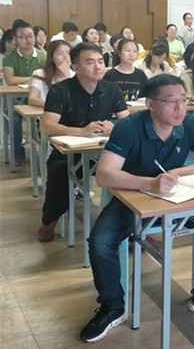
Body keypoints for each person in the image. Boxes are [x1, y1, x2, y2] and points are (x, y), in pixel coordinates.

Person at [80, 74, 194, 343]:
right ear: (150, 104)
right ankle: (112, 305)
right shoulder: (128, 127)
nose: (180, 108)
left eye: (183, 100)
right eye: (170, 102)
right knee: (100, 240)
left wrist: (178, 172)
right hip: (133, 199)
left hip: (177, 198)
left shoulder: (190, 124)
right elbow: (104, 175)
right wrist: (149, 183)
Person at [37, 42, 129, 242]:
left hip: (104, 151)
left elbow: (127, 120)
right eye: (90, 62)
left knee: (131, 171)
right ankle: (50, 219)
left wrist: (113, 126)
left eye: (100, 61)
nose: (98, 67)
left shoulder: (112, 89)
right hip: (69, 150)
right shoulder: (60, 90)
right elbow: (48, 126)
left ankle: (127, 228)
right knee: (59, 172)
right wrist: (81, 131)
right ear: (75, 67)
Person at [3, 19, 47, 164]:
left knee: (49, 114)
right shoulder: (9, 57)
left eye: (30, 36)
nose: (28, 40)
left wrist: (34, 80)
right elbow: (10, 79)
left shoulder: (42, 55)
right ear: (16, 39)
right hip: (16, 99)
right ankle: (18, 153)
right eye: (23, 36)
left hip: (39, 96)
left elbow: (48, 76)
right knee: (15, 119)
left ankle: (46, 152)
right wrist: (34, 77)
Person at [28, 40, 74, 107]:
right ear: (51, 58)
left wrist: (67, 76)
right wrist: (54, 106)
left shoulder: (77, 75)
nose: (65, 57)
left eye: (68, 53)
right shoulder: (39, 74)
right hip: (46, 112)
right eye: (60, 54)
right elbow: (32, 99)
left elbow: (77, 101)